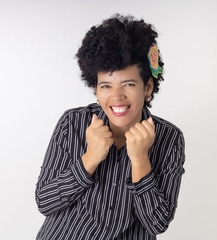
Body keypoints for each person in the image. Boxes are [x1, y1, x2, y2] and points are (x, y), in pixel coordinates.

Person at [35, 14, 185, 240]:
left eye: (129, 84)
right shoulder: (72, 123)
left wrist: (140, 160)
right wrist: (90, 158)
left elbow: (158, 223)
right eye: (106, 85)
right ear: (96, 90)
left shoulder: (170, 138)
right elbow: (44, 202)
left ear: (147, 87)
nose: (116, 97)